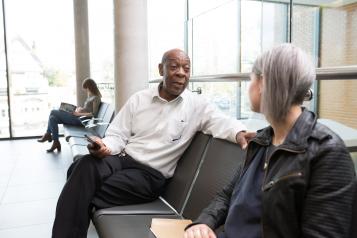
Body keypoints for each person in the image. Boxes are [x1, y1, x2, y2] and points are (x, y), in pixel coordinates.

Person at [51, 49, 255, 238]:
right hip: (120, 159)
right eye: (174, 67)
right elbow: (117, 134)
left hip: (148, 176)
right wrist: (105, 147)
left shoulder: (197, 105)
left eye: (186, 68)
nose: (181, 73)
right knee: (84, 166)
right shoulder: (139, 99)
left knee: (78, 185)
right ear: (161, 69)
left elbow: (220, 121)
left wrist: (239, 133)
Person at [184, 43, 356, 238]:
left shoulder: (328, 154)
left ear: (263, 84)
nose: (248, 87)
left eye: (250, 79)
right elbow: (227, 195)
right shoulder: (262, 141)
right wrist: (204, 223)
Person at [37, 78, 102, 152]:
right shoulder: (90, 96)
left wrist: (78, 113)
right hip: (78, 117)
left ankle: (48, 134)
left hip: (81, 121)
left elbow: (93, 114)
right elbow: (88, 109)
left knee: (53, 112)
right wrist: (80, 109)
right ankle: (56, 142)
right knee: (52, 118)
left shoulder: (96, 98)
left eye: (86, 88)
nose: (86, 90)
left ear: (90, 87)